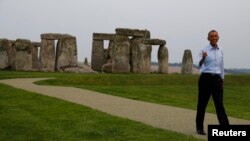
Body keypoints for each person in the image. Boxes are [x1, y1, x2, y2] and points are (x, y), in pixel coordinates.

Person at [196, 30, 229, 135]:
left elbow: (221, 66)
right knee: (202, 104)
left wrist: (222, 79)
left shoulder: (220, 50)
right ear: (208, 38)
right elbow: (198, 65)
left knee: (219, 105)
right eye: (212, 36)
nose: (214, 37)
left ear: (218, 37)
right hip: (205, 78)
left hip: (217, 79)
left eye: (216, 36)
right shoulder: (203, 50)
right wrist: (203, 58)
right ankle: (199, 128)